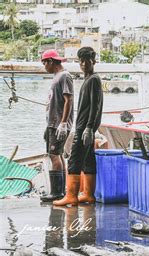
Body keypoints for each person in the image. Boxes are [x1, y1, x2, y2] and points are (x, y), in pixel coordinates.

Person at [53, 47, 103, 206]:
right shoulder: (89, 79)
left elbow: (95, 106)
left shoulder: (94, 79)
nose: (83, 64)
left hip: (84, 128)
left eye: (86, 60)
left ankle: (71, 196)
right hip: (85, 127)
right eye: (80, 61)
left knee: (74, 160)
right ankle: (88, 194)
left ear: (93, 61)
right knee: (88, 160)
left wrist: (89, 127)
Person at [40, 49, 74, 202]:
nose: (44, 66)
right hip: (52, 123)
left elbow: (69, 100)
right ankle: (61, 190)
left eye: (44, 62)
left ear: (51, 61)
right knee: (58, 155)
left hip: (58, 123)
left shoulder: (65, 76)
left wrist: (63, 123)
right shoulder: (57, 77)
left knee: (54, 155)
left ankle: (56, 193)